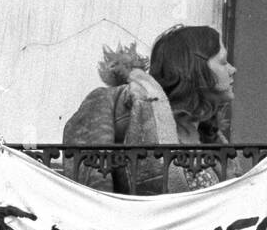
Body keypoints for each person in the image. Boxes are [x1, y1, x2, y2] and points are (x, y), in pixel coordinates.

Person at [61, 24, 236, 194]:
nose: (232, 69)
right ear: (194, 68)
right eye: (223, 62)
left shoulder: (207, 138)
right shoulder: (141, 119)